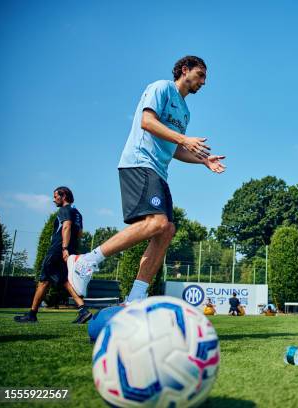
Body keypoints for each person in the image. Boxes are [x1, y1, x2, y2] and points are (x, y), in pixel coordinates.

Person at [67, 56, 226, 303]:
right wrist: (184, 139)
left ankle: (135, 297)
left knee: (167, 230)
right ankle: (85, 261)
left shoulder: (185, 112)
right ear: (185, 70)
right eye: (201, 75)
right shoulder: (161, 87)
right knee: (158, 223)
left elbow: (175, 149)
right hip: (139, 162)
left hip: (159, 172)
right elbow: (147, 122)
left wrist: (203, 160)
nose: (204, 82)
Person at [14, 187, 92, 324]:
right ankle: (83, 310)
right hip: (69, 250)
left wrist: (64, 248)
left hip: (58, 250)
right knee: (64, 280)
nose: (53, 199)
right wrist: (71, 249)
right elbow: (79, 233)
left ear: (64, 196)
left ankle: (32, 314)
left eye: (56, 196)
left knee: (44, 280)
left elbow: (66, 226)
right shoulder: (77, 213)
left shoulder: (64, 210)